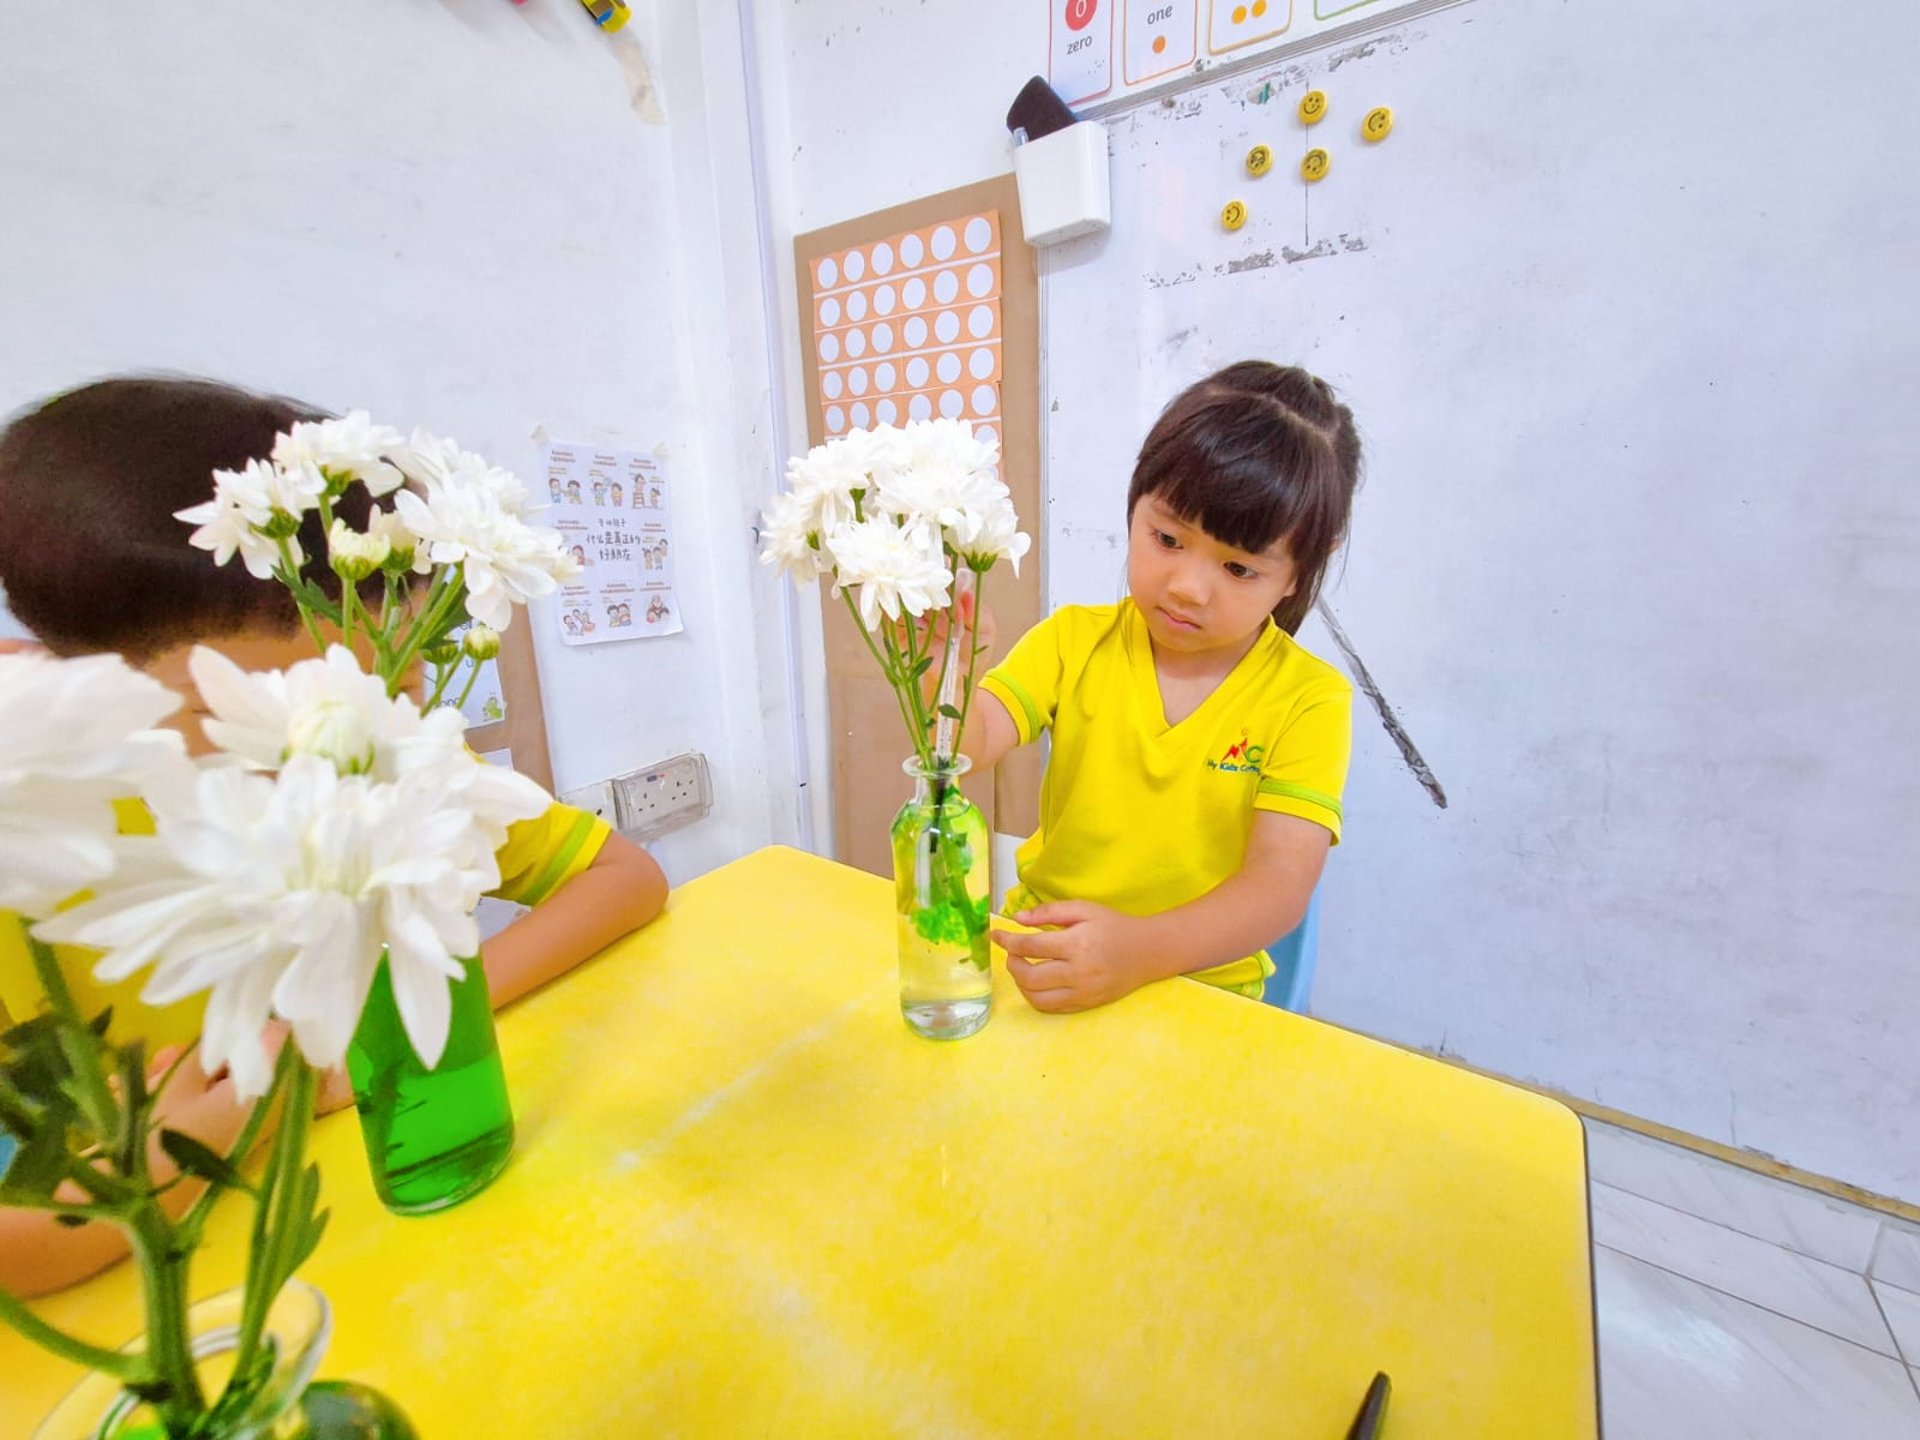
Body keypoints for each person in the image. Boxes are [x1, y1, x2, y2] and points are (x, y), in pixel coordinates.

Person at [0, 377, 669, 1295]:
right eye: (260, 707)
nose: (344, 740)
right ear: (54, 679)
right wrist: (196, 1138)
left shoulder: (381, 760)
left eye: (399, 678)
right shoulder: (32, 834)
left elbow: (624, 874)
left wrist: (357, 1058)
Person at [952, 361, 1360, 1013]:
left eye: (1238, 567)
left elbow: (1280, 884)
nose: (1187, 587)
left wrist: (1136, 953)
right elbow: (964, 749)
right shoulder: (1072, 641)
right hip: (1044, 958)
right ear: (1134, 508)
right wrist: (948, 663)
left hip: (1204, 989)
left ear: (1301, 570)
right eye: (1167, 538)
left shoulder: (1309, 699)